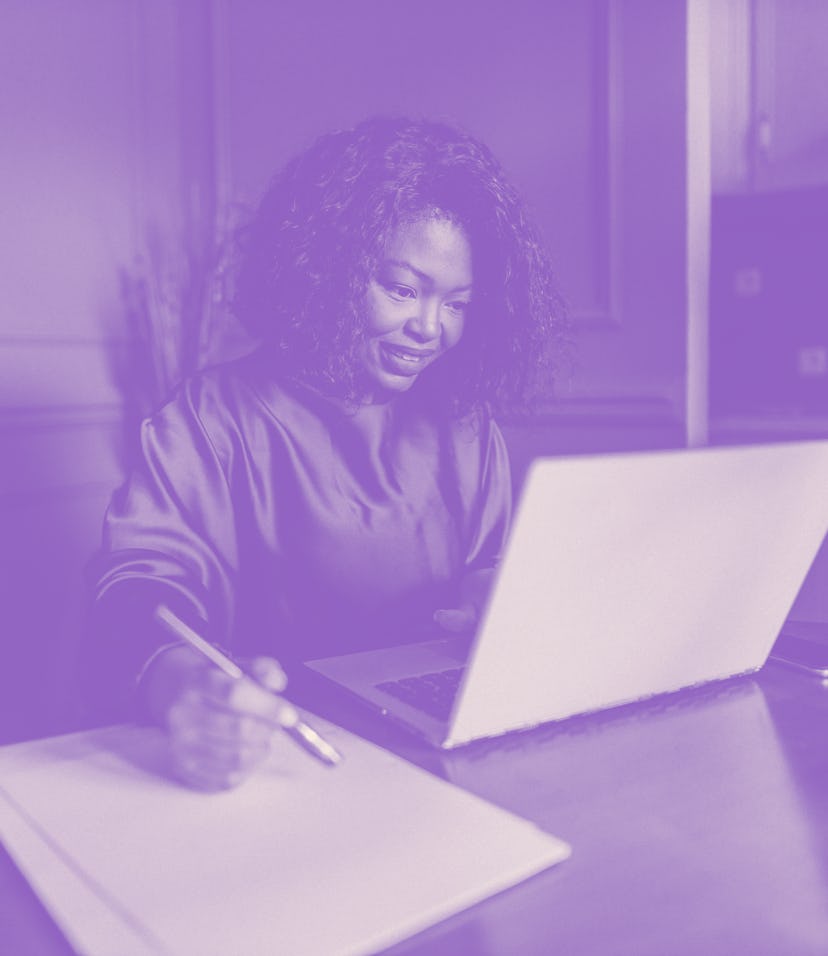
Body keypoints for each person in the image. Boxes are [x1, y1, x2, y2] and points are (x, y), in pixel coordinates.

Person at [86, 116, 566, 790]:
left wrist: (492, 592)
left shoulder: (464, 426)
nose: (429, 328)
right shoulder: (213, 416)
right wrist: (181, 686)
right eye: (402, 289)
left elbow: (485, 565)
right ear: (329, 270)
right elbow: (139, 587)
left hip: (440, 762)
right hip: (278, 761)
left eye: (457, 303)